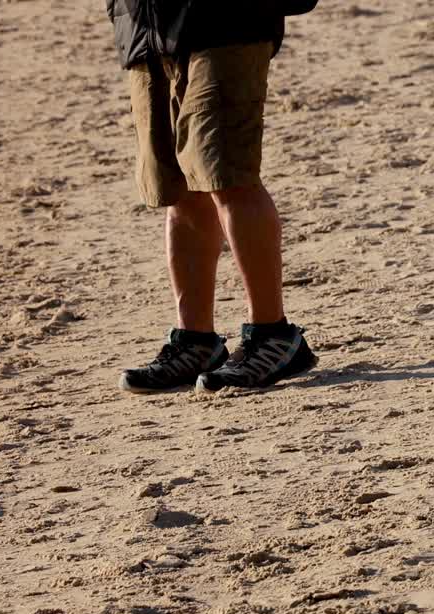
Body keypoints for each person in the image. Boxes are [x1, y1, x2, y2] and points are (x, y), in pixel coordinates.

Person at [108, 1, 319, 393]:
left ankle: (274, 335)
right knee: (178, 187)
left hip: (225, 21)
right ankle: (196, 340)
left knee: (227, 175)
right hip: (145, 26)